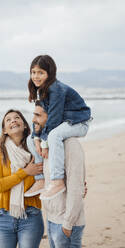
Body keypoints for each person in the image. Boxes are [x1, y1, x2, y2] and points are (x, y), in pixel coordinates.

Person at [25, 54, 91, 199]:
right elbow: (39, 115)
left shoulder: (56, 89)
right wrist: (36, 137)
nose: (36, 76)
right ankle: (41, 179)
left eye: (40, 72)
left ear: (50, 74)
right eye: (33, 72)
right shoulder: (41, 90)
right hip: (64, 122)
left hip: (78, 123)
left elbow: (53, 120)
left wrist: (44, 143)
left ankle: (57, 181)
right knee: (30, 139)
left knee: (54, 135)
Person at [27, 102, 86, 248]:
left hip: (66, 224)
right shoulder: (45, 144)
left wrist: (67, 225)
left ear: (53, 117)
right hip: (52, 219)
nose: (33, 119)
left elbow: (76, 189)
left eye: (38, 115)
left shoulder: (70, 145)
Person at [0, 109, 44, 248]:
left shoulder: (35, 148)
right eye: (8, 120)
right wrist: (25, 172)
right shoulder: (0, 150)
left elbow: (48, 176)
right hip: (5, 216)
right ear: (4, 130)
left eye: (17, 118)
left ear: (25, 125)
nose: (13, 120)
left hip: (31, 216)